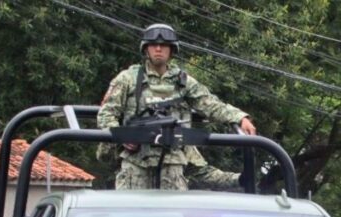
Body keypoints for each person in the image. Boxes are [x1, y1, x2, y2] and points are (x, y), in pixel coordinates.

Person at [97, 23, 256, 190]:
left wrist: (239, 117)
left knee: (173, 213)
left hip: (172, 164)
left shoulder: (183, 81)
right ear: (146, 49)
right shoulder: (127, 79)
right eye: (154, 45)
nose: (158, 49)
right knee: (131, 213)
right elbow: (106, 114)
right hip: (135, 164)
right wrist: (123, 137)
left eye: (164, 45)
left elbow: (210, 104)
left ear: (172, 50)